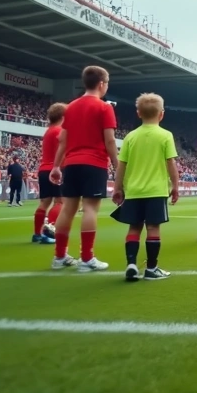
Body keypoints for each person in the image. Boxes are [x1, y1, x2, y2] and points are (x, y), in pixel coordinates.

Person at [49, 65, 119, 272]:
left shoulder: (70, 107)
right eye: (106, 83)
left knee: (68, 209)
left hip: (71, 163)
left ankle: (59, 256)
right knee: (90, 208)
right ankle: (87, 258)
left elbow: (63, 140)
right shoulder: (105, 108)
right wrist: (116, 165)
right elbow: (110, 140)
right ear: (101, 84)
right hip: (94, 163)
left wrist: (56, 166)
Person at [111, 93, 179, 282]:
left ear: (138, 113)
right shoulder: (165, 135)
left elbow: (121, 165)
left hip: (133, 191)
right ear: (161, 114)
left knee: (134, 228)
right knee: (153, 228)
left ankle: (131, 264)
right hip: (156, 191)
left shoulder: (130, 137)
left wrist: (118, 188)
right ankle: (151, 268)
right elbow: (171, 163)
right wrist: (175, 186)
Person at [33, 103, 66, 244]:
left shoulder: (48, 131)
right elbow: (62, 151)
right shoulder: (60, 131)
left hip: (43, 169)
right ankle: (50, 229)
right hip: (56, 169)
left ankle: (37, 234)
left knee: (44, 202)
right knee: (60, 201)